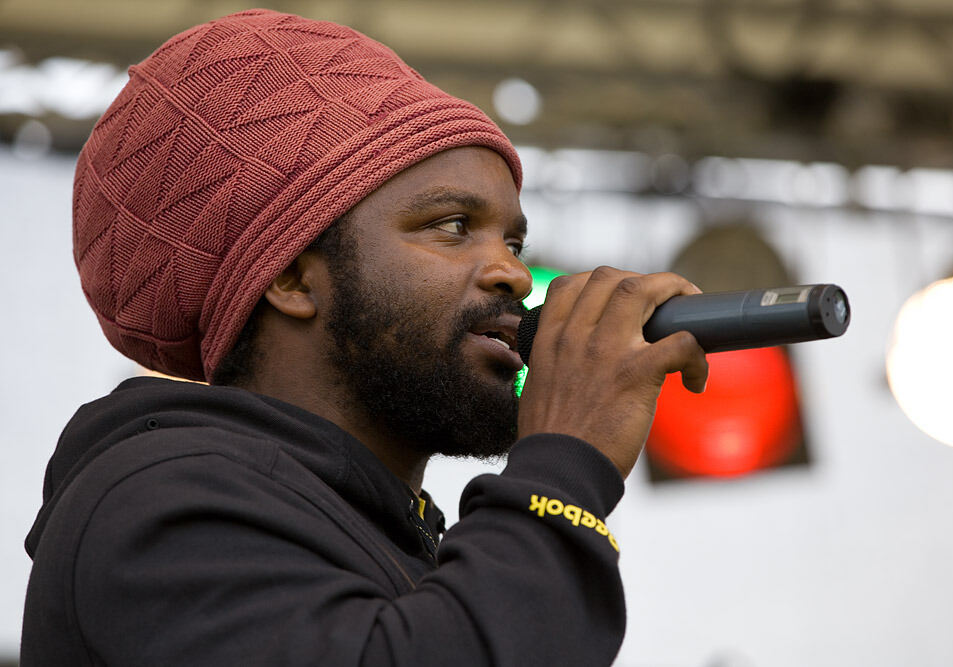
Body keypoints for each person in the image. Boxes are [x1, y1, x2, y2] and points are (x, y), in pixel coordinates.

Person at [20, 9, 708, 666]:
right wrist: (566, 465)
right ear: (291, 277)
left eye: (514, 238)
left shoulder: (386, 533)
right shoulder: (158, 503)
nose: (514, 273)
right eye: (452, 225)